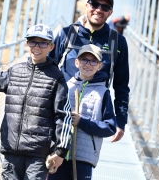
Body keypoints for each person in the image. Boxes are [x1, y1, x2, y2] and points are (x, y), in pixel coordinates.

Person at [0, 24, 72, 180]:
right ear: (27, 44)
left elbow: (64, 116)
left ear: (51, 47)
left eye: (43, 43)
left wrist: (60, 152)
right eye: (32, 42)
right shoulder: (16, 71)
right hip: (11, 148)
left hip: (38, 153)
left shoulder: (56, 77)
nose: (37, 47)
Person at [48, 0, 129, 142]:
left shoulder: (118, 42)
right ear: (87, 5)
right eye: (95, 4)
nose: (99, 10)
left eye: (105, 7)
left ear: (110, 13)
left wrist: (121, 120)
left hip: (93, 116)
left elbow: (122, 85)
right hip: (61, 109)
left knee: (82, 163)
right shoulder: (67, 34)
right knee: (51, 161)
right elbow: (48, 70)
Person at [48, 44, 117, 180]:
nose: (88, 64)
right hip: (59, 153)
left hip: (84, 157)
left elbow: (110, 127)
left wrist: (82, 122)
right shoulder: (65, 87)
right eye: (84, 59)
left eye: (93, 61)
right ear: (76, 62)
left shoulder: (103, 93)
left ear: (99, 66)